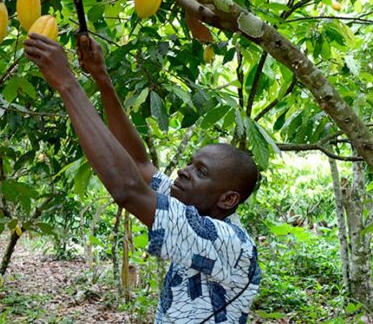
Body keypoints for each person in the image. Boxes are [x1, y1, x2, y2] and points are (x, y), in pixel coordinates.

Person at [23, 32, 261, 324]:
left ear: (228, 199)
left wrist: (67, 84)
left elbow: (127, 188)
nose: (184, 171)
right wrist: (102, 78)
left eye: (200, 172)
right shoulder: (187, 203)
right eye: (189, 163)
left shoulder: (227, 240)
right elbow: (138, 162)